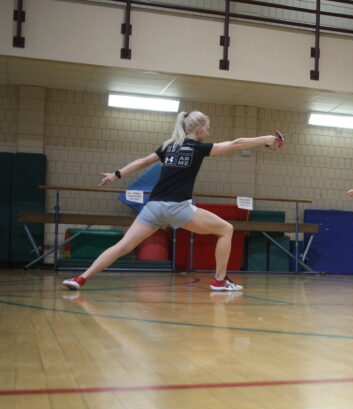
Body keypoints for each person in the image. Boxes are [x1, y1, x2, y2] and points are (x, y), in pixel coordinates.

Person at [63, 110, 281, 291]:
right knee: (226, 229)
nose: (209, 131)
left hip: (153, 207)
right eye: (207, 127)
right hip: (178, 208)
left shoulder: (169, 147)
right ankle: (220, 280)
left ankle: (80, 278)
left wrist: (116, 174)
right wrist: (264, 139)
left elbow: (142, 161)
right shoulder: (198, 148)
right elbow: (236, 144)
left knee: (122, 246)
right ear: (199, 129)